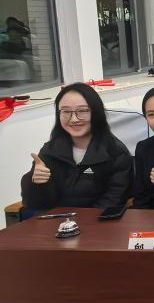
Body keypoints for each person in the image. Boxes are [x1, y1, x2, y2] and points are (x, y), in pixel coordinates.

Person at [21, 83, 133, 215]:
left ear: (96, 113)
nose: (74, 119)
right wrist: (36, 183)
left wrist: (80, 222)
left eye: (82, 111)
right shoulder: (50, 150)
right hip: (55, 222)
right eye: (66, 112)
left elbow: (113, 200)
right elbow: (35, 204)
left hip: (96, 223)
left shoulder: (116, 153)